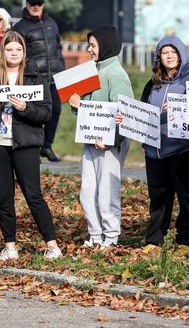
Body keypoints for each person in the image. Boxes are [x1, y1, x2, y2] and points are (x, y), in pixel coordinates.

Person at [0, 31, 62, 261]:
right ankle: (10, 246)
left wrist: (25, 109)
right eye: (9, 49)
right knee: (4, 196)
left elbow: (46, 112)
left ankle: (52, 244)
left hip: (25, 144)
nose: (14, 54)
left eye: (18, 50)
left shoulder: (33, 76)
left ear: (24, 53)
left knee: (33, 195)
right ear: (3, 52)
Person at [117, 36, 189, 255]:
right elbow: (141, 114)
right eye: (165, 53)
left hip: (184, 150)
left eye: (174, 52)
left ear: (182, 55)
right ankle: (154, 241)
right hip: (154, 151)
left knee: (186, 196)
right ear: (159, 58)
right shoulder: (151, 84)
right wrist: (125, 119)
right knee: (158, 198)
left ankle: (186, 242)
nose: (170, 56)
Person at [69, 26, 133, 249]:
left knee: (107, 190)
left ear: (105, 46)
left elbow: (125, 115)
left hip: (109, 145)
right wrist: (77, 106)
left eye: (93, 45)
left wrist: (111, 140)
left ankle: (111, 236)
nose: (89, 49)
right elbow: (88, 110)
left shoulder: (116, 75)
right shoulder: (92, 72)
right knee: (88, 191)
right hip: (91, 140)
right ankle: (95, 234)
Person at [13, 0, 65, 162]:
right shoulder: (20, 27)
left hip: (54, 77)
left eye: (39, 4)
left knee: (55, 110)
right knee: (34, 113)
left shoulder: (52, 23)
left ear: (43, 4)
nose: (36, 7)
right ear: (27, 5)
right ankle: (33, 146)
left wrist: (62, 69)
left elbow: (58, 48)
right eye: (33, 4)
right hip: (34, 79)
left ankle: (47, 146)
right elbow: (18, 53)